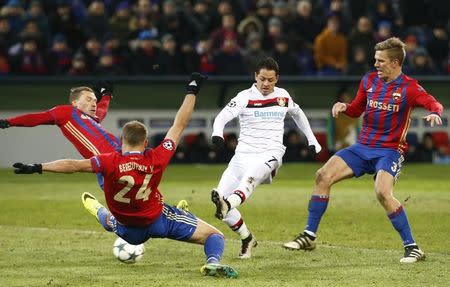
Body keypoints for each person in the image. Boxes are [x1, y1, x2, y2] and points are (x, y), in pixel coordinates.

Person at [12, 73, 238, 278]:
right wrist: (192, 89)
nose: (93, 103)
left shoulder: (108, 161)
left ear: (120, 141)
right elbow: (180, 124)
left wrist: (38, 166)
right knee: (214, 236)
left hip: (127, 228)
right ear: (147, 142)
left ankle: (101, 212)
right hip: (158, 221)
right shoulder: (156, 157)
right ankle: (212, 261)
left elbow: (73, 165)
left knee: (113, 219)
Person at [283, 37, 444, 263]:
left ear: (396, 63)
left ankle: (413, 248)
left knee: (382, 193)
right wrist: (344, 107)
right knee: (322, 176)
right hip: (362, 148)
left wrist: (436, 112)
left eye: (381, 61)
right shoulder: (369, 80)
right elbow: (357, 109)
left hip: (389, 151)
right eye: (375, 60)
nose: (376, 64)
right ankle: (309, 236)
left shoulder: (409, 87)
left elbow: (433, 103)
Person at [210, 57, 322, 259]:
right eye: (262, 79)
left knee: (246, 181)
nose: (266, 84)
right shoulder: (244, 97)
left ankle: (231, 202)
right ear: (255, 76)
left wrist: (312, 139)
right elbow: (223, 116)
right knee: (220, 199)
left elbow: (298, 114)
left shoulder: (283, 96)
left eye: (270, 80)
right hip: (242, 156)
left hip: (271, 153)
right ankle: (247, 238)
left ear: (277, 78)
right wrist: (217, 132)